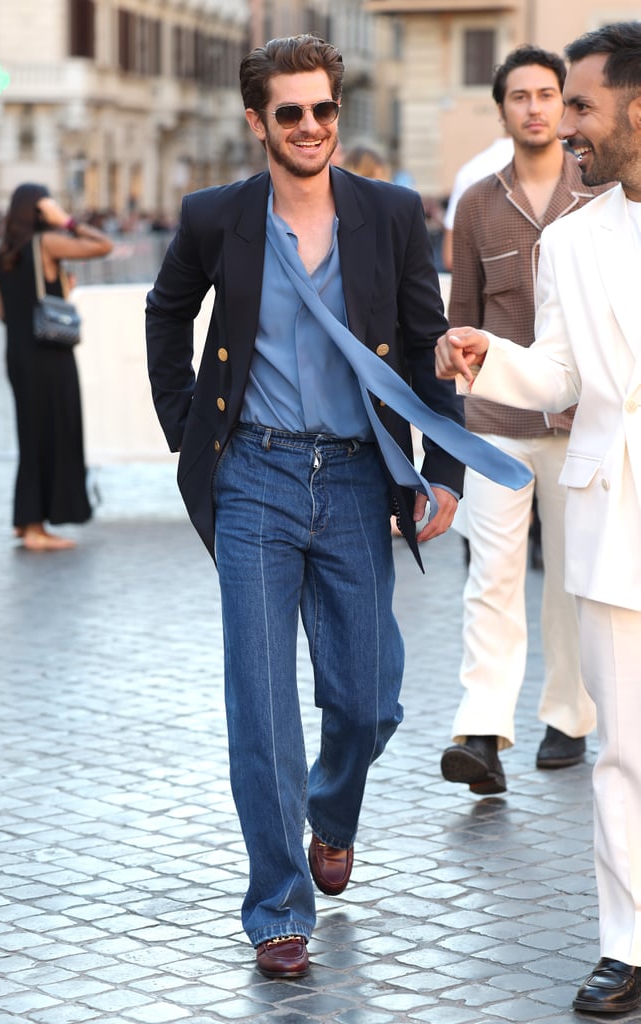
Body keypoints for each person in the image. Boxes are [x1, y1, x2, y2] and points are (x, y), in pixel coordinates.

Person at [146, 33, 530, 979]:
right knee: (262, 704)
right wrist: (186, 427)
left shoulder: (391, 215)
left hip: (360, 480)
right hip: (255, 481)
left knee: (368, 701)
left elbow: (428, 346)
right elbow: (165, 313)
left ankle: (331, 807)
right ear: (257, 123)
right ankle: (278, 906)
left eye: (322, 109)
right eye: (290, 113)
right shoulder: (214, 218)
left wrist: (442, 472)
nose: (310, 126)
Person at [435, 21, 641, 1014]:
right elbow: (558, 367)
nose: (566, 127)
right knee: (621, 753)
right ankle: (624, 945)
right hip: (609, 516)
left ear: (636, 110)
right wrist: (491, 356)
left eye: (582, 107)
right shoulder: (567, 239)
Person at [439, 45, 603, 797]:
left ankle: (569, 717)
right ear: (500, 108)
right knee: (490, 574)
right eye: (520, 96)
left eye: (549, 95)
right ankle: (480, 729)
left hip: (579, 424)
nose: (536, 108)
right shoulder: (474, 204)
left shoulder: (600, 194)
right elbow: (461, 320)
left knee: (570, 581)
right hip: (496, 422)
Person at [0, 184, 113, 550]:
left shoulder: (5, 252)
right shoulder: (47, 242)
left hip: (18, 354)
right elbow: (103, 245)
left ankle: (25, 519)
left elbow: (2, 311)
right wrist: (68, 221)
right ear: (40, 210)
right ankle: (35, 529)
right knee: (54, 434)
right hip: (49, 355)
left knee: (30, 436)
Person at [441, 135, 514, 271]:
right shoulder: (473, 172)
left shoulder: (472, 171)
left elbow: (451, 256)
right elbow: (452, 254)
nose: (535, 111)